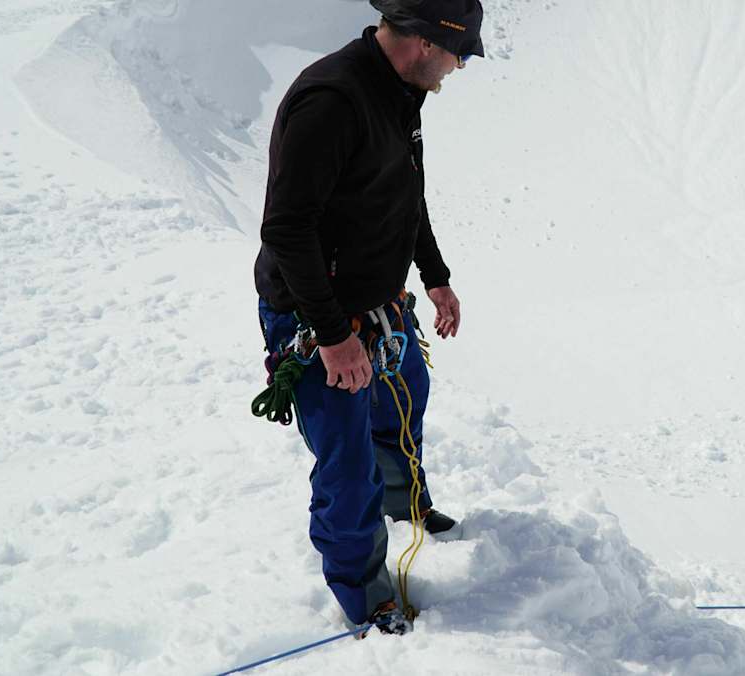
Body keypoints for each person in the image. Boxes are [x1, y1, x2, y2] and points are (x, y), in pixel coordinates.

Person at [253, 0, 484, 631]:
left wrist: (433, 278)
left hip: (380, 305)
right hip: (317, 318)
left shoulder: (399, 92)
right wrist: (332, 338)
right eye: (459, 54)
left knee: (405, 397)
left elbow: (404, 193)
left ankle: (404, 505)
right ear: (426, 41)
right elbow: (288, 227)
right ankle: (365, 594)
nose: (458, 68)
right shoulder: (333, 100)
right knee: (346, 462)